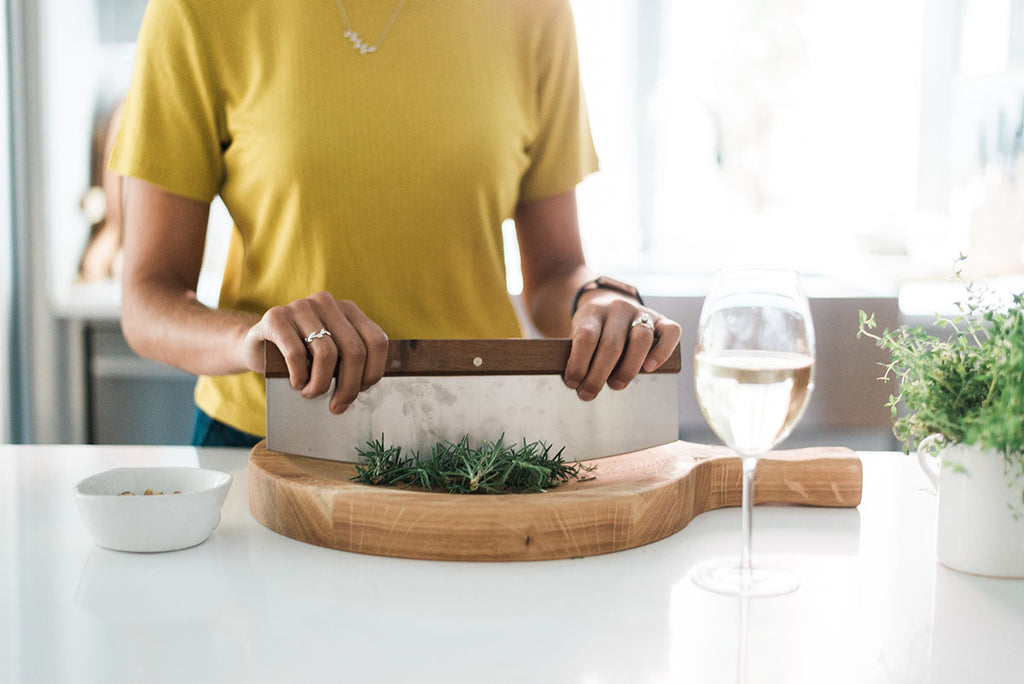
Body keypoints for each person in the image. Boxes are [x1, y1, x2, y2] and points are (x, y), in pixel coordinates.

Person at [109, 0, 682, 448]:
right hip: (266, 435)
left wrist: (594, 300)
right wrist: (249, 340)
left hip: (477, 444)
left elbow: (556, 271)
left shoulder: (535, 12)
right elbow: (147, 298)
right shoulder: (198, 11)